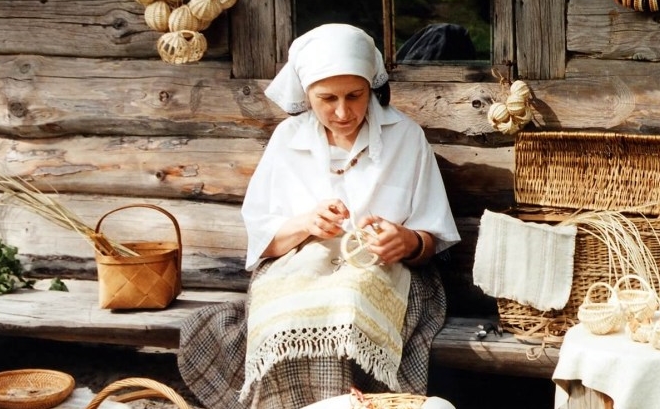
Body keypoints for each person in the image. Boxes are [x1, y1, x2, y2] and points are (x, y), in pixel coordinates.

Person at [178, 23, 461, 409]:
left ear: (369, 87)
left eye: (355, 96)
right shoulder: (287, 140)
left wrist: (408, 241)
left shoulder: (405, 137)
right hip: (297, 268)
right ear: (306, 94)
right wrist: (305, 224)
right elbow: (264, 241)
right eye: (327, 98)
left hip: (386, 272)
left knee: (348, 301)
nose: (343, 112)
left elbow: (432, 241)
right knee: (288, 320)